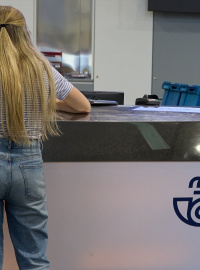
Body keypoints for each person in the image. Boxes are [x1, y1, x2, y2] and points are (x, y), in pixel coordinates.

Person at [0, 5, 91, 270]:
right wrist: (45, 102)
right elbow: (82, 105)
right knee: (34, 259)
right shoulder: (40, 68)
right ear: (23, 32)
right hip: (28, 165)